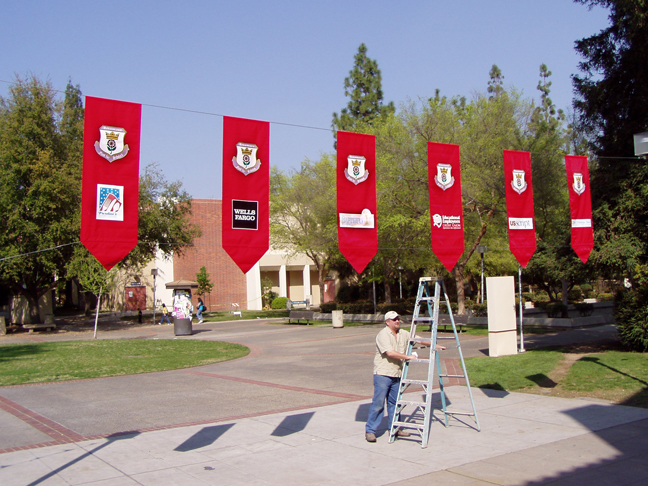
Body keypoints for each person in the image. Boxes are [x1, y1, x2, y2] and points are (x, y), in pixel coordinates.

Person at [365, 310, 441, 442]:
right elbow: (390, 353)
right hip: (383, 374)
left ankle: (395, 428)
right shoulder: (383, 334)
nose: (397, 321)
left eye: (398, 319)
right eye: (394, 319)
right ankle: (370, 430)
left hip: (397, 374)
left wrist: (435, 345)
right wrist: (408, 357)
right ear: (387, 322)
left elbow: (418, 339)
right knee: (378, 403)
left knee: (395, 403)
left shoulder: (403, 334)